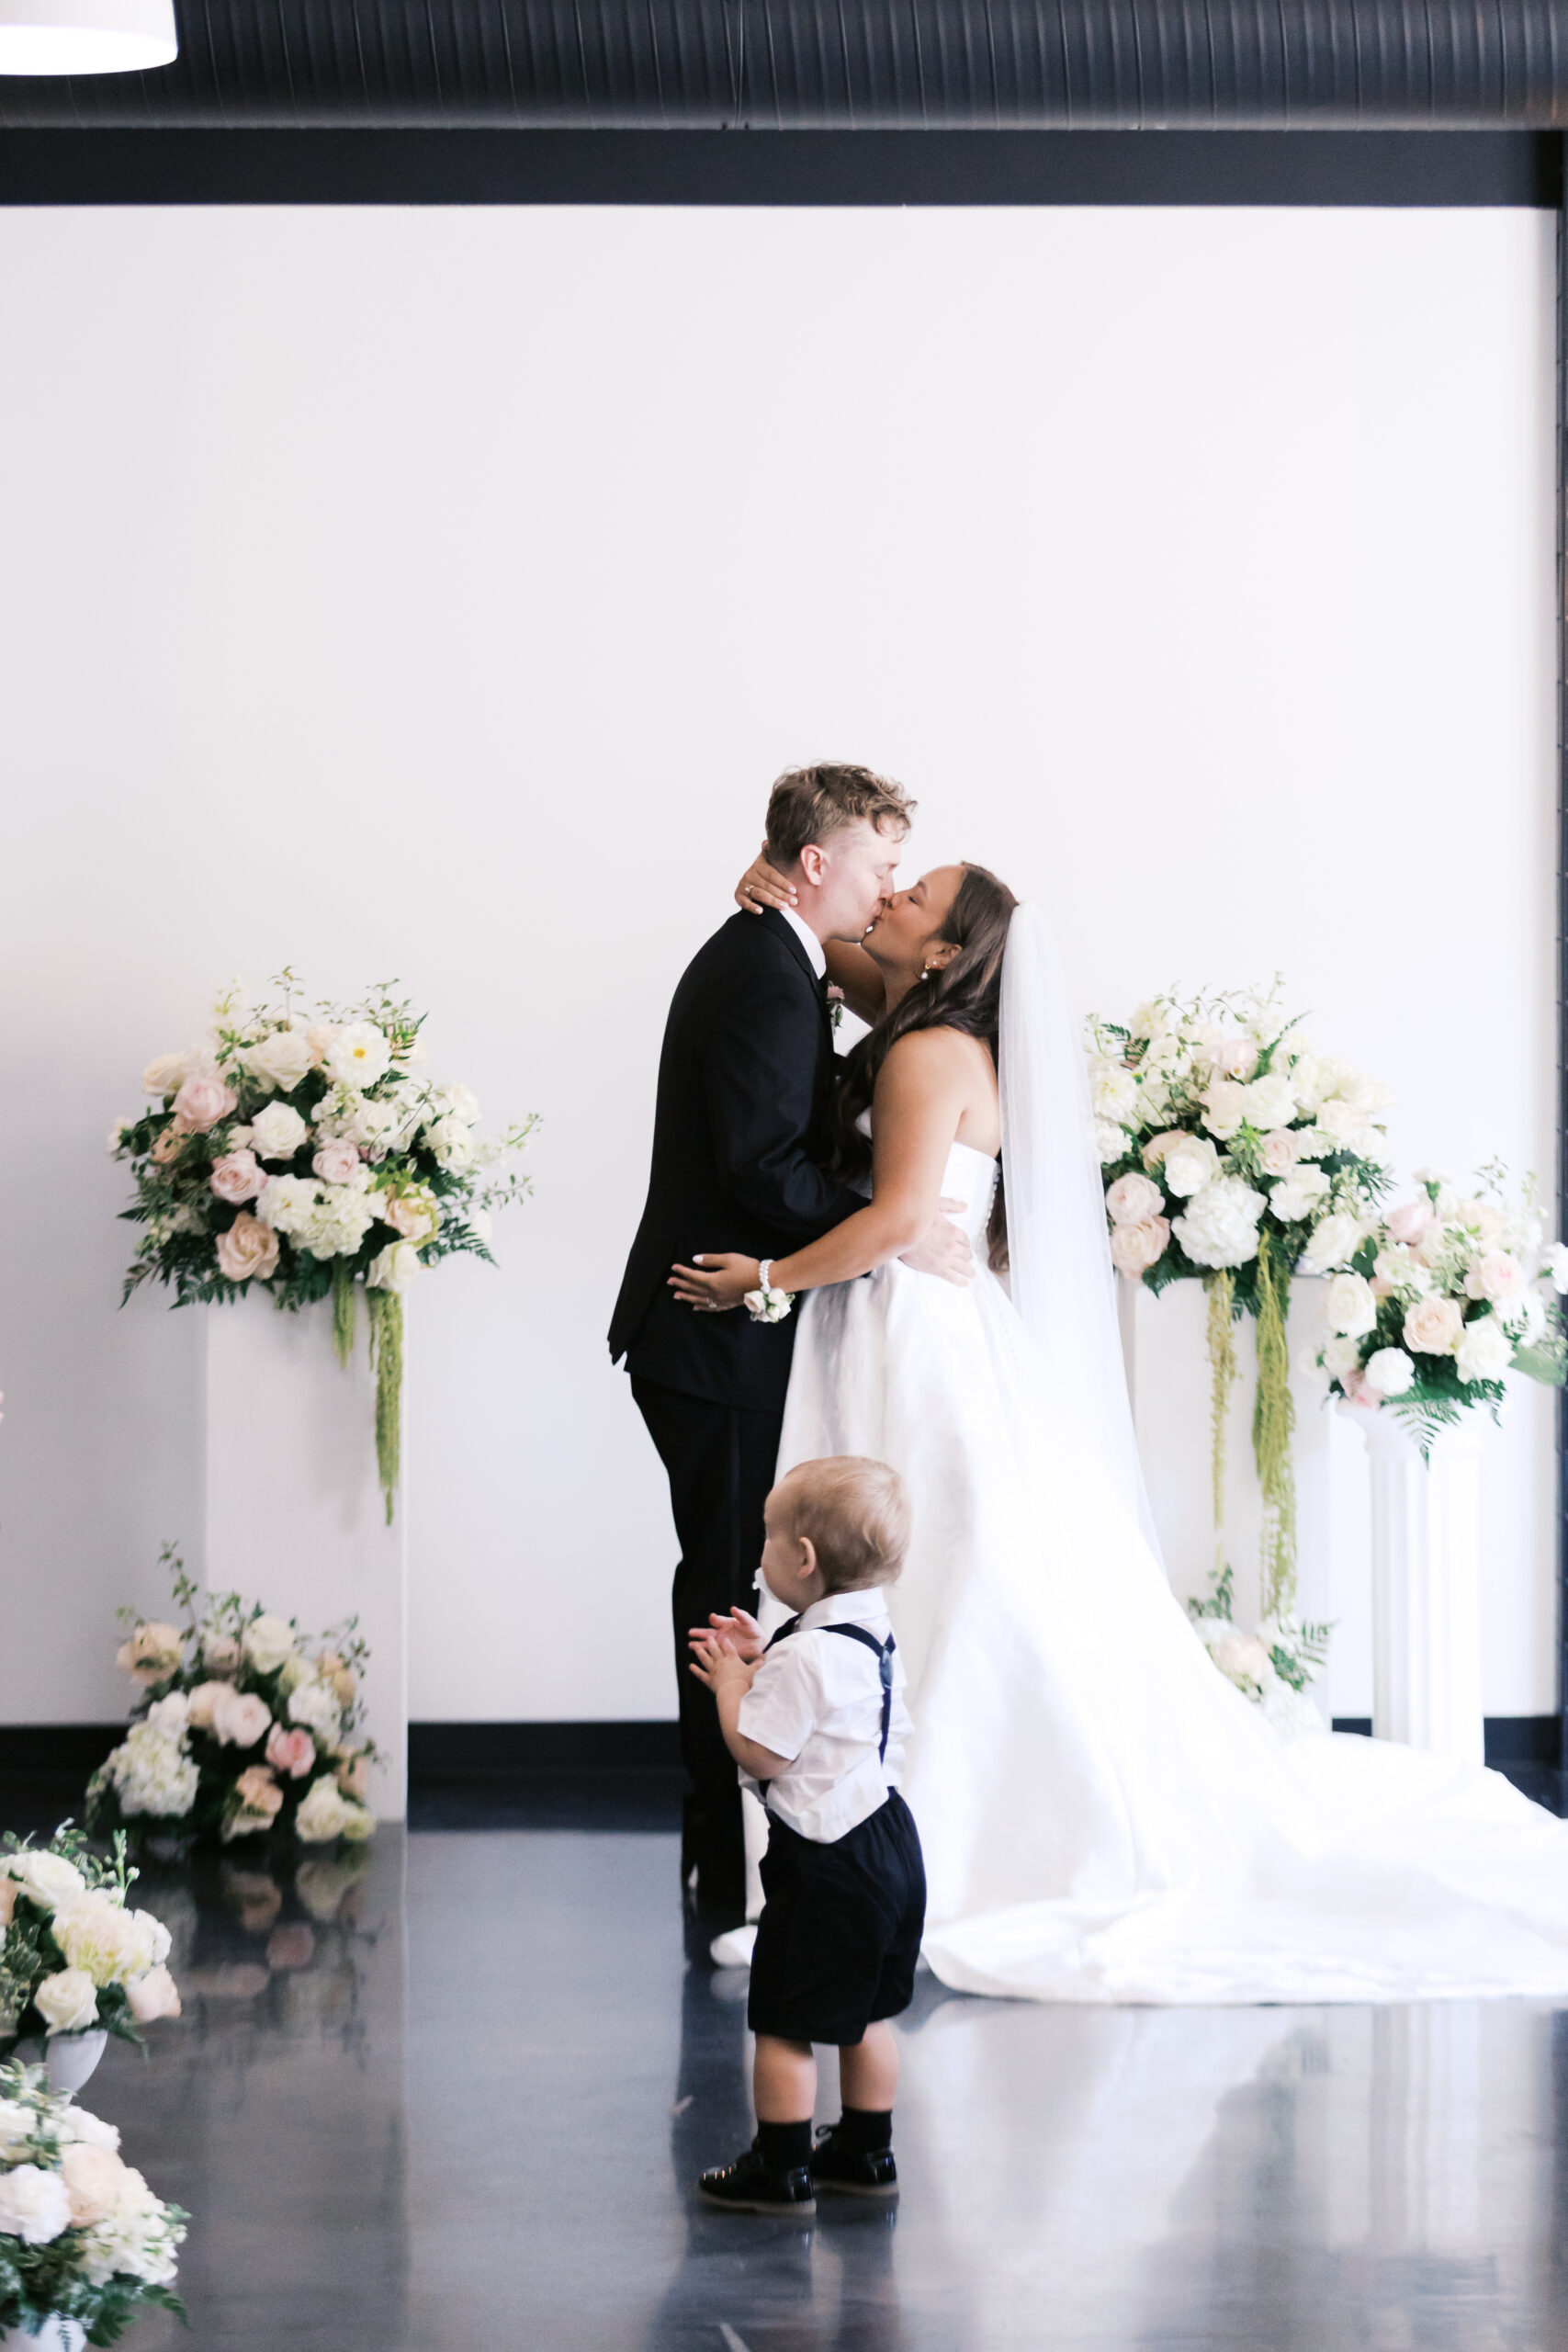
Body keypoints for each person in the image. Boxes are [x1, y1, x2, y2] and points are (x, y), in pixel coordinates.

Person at [671, 852, 1568, 2004]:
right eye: (891, 881)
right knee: (951, 1561)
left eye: (916, 895)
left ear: (945, 953)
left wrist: (766, 1280)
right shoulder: (923, 1025)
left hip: (911, 1329)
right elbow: (832, 948)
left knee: (946, 1562)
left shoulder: (927, 1050)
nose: (888, 898)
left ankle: (935, 1816)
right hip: (922, 1324)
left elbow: (897, 1218)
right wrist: (773, 888)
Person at [609, 762, 969, 1933]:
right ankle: (725, 1879)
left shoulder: (786, 956)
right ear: (818, 864)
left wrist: (883, 1218)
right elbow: (764, 1173)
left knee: (745, 1586)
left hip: (738, 1329)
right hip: (710, 1331)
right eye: (876, 863)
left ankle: (754, 1848)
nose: (891, 885)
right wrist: (888, 1230)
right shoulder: (766, 977)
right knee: (723, 1594)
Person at [689, 1455, 924, 2216]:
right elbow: (822, 1706)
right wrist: (767, 1658)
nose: (759, 1551)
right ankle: (865, 2150)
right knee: (865, 2013)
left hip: (828, 1861)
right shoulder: (871, 1633)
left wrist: (733, 1683)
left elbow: (761, 1750)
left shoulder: (801, 1657)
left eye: (766, 1537)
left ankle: (780, 2166)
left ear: (803, 1559)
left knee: (783, 2020)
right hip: (890, 1843)